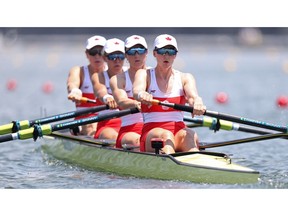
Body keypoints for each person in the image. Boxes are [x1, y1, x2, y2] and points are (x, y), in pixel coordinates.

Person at [132, 34, 206, 154]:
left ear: (175, 55)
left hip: (178, 131)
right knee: (166, 136)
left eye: (170, 51)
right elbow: (137, 91)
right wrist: (142, 94)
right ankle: (171, 163)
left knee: (190, 134)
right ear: (154, 53)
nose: (166, 56)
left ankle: (197, 166)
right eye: (162, 51)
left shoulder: (185, 77)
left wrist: (197, 102)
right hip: (152, 133)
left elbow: (193, 97)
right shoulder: (144, 74)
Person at [110, 35, 148, 149]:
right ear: (126, 55)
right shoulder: (118, 79)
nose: (137, 55)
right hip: (129, 131)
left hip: (153, 128)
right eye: (132, 52)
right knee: (139, 142)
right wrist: (134, 103)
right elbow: (121, 101)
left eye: (140, 51)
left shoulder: (155, 75)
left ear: (146, 53)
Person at [67, 35, 107, 136]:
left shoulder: (115, 72)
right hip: (84, 121)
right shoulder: (79, 71)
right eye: (93, 52)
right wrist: (75, 92)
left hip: (109, 118)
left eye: (101, 52)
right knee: (91, 126)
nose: (97, 56)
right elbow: (72, 84)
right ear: (87, 54)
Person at [91, 38, 125, 140]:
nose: (117, 61)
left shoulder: (132, 75)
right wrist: (107, 98)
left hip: (130, 123)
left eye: (121, 56)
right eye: (113, 57)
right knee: (112, 136)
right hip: (107, 125)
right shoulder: (99, 76)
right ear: (105, 58)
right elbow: (100, 90)